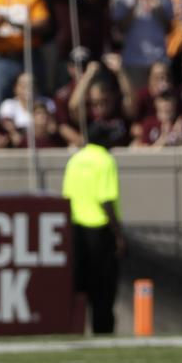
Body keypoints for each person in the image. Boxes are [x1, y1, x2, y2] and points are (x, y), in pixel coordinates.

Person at [62, 121, 127, 335]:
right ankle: (102, 332)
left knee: (79, 287)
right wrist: (118, 234)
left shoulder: (75, 160)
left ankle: (75, 329)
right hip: (99, 230)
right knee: (103, 290)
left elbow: (67, 197)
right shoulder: (105, 160)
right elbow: (105, 200)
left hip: (76, 229)